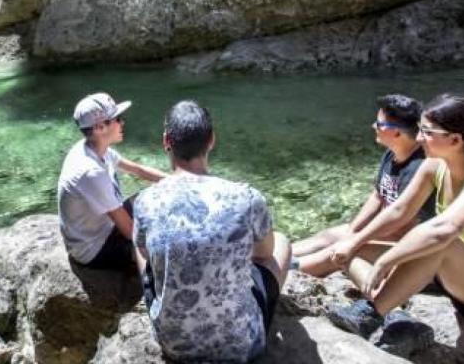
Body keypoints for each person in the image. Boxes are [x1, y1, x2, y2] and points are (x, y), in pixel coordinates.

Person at [327, 94, 464, 355]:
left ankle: (371, 313)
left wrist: (387, 260)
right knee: (355, 251)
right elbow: (400, 211)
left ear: (455, 140)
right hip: (451, 274)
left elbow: (443, 230)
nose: (417, 138)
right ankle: (400, 319)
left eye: (426, 132)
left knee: (441, 243)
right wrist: (354, 240)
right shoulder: (434, 166)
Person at [133, 100, 291, 362]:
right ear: (212, 140)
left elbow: (145, 254)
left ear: (166, 141)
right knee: (282, 242)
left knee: (141, 245)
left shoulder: (146, 200)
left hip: (174, 344)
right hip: (241, 346)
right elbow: (264, 254)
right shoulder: (247, 197)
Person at [294, 94, 433, 277]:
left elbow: (404, 223)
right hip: (385, 232)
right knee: (326, 237)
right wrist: (352, 231)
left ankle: (279, 272)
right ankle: (266, 256)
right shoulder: (392, 154)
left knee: (334, 253)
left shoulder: (419, 168)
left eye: (379, 124)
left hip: (408, 245)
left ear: (397, 133)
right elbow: (378, 196)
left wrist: (356, 240)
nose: (373, 126)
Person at [58, 92, 168, 270]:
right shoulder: (90, 172)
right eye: (118, 118)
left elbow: (138, 170)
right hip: (94, 248)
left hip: (103, 228)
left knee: (158, 195)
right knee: (165, 249)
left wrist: (182, 181)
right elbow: (128, 230)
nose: (122, 123)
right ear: (100, 127)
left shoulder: (95, 148)